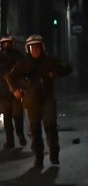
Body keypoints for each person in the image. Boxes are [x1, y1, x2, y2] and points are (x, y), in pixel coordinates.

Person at [6, 34, 72, 168]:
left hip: (47, 98)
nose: (35, 50)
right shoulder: (23, 63)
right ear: (27, 49)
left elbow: (65, 68)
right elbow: (10, 76)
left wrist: (56, 72)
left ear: (42, 48)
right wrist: (15, 89)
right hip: (31, 101)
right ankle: (39, 158)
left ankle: (54, 153)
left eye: (37, 47)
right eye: (31, 47)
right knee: (35, 130)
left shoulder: (49, 61)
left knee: (50, 126)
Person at [0, 35, 27, 149]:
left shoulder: (18, 57)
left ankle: (18, 136)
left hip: (15, 91)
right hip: (4, 92)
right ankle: (12, 140)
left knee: (16, 116)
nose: (6, 46)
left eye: (8, 43)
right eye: (5, 43)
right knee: (9, 117)